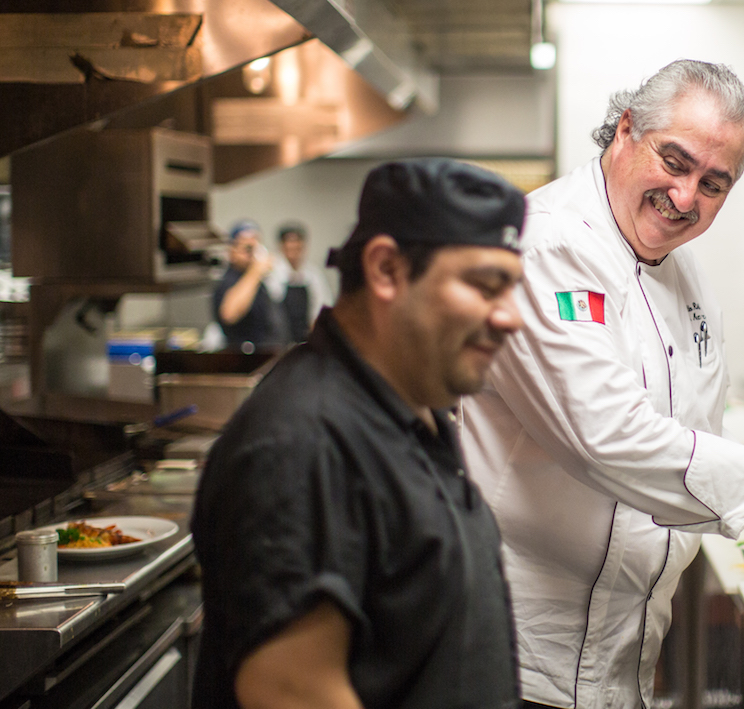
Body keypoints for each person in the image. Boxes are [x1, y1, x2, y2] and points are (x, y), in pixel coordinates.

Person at [460, 59, 744, 708]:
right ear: (624, 131)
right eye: (675, 160)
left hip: (624, 653)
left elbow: (690, 436)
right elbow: (604, 436)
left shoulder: (685, 275)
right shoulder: (545, 243)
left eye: (714, 183)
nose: (687, 196)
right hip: (517, 658)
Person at [191, 159, 528, 708]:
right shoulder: (303, 442)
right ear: (387, 270)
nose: (511, 316)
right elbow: (294, 692)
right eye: (486, 285)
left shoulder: (412, 405)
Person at [212, 219, 286, 351]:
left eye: (256, 248)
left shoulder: (257, 279)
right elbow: (229, 314)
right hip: (243, 358)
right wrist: (256, 271)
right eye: (248, 249)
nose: (253, 255)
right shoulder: (229, 280)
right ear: (232, 251)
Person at [265, 222, 333, 343]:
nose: (294, 253)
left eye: (297, 248)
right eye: (289, 248)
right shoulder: (271, 273)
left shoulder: (313, 274)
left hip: (305, 339)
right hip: (278, 340)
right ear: (281, 247)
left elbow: (322, 307)